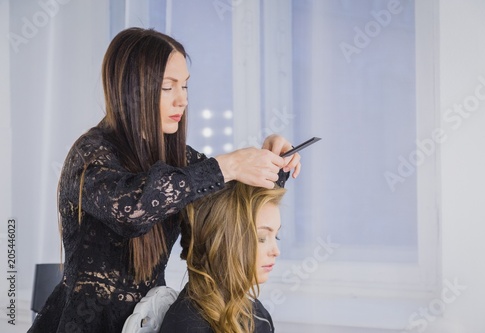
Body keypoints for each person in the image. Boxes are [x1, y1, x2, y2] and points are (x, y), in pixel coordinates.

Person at [28, 27, 300, 333]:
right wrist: (228, 164)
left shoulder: (178, 159)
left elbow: (227, 210)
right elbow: (131, 210)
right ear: (131, 90)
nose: (181, 100)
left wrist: (275, 162)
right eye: (168, 88)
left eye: (184, 86)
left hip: (150, 321)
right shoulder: (91, 156)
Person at [160, 181, 285, 333]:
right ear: (224, 243)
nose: (276, 251)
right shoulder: (189, 325)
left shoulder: (256, 315)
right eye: (261, 238)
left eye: (276, 236)